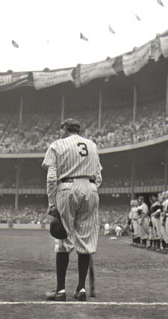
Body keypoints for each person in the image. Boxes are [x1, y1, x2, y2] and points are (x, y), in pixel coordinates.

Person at [43, 118, 102, 302]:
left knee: (63, 240)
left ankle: (61, 291)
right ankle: (81, 289)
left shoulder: (58, 144)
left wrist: (52, 202)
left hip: (67, 188)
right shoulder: (92, 145)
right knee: (85, 241)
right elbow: (99, 176)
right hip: (91, 189)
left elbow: (52, 177)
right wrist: (90, 189)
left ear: (64, 128)